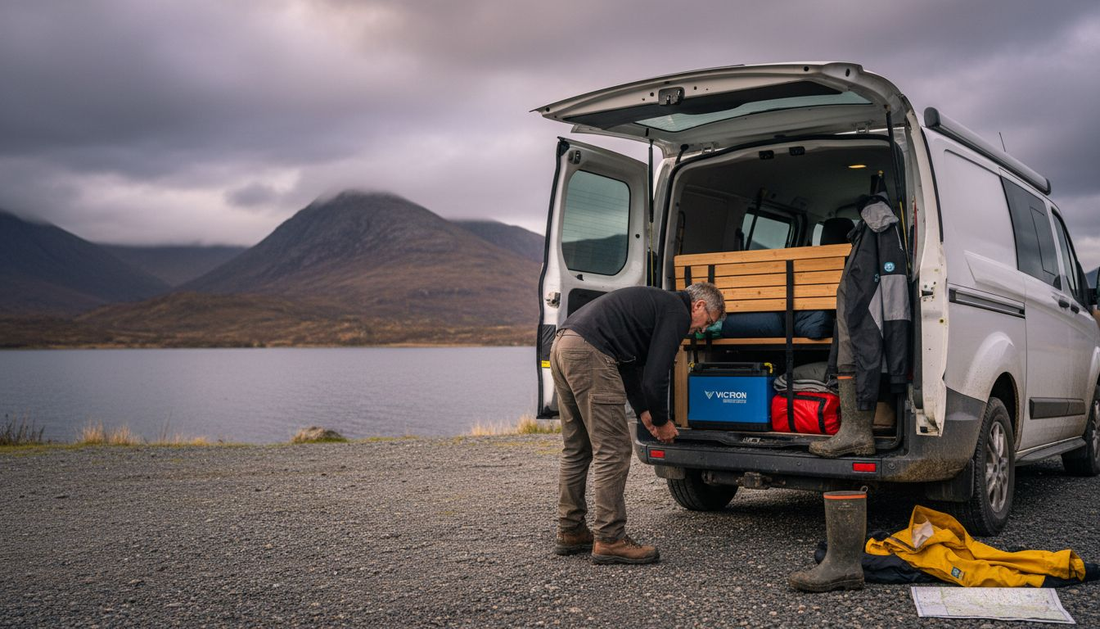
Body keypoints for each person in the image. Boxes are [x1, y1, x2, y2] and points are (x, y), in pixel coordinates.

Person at [550, 282, 725, 564]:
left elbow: (628, 363)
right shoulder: (676, 312)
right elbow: (656, 378)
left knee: (577, 449)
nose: (704, 330)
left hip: (563, 345)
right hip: (590, 353)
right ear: (699, 306)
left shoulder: (654, 305)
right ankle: (610, 539)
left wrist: (643, 409)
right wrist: (662, 421)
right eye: (708, 323)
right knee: (614, 450)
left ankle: (570, 530)